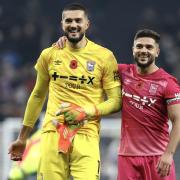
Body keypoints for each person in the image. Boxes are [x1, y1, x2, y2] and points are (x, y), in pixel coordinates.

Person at [8, 3, 121, 180]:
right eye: (68, 20)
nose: (73, 24)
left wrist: (85, 112)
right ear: (62, 24)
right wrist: (22, 138)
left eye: (78, 20)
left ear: (87, 24)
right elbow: (38, 95)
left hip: (86, 135)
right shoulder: (50, 54)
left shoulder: (104, 57)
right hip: (53, 133)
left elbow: (116, 101)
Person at [56, 29, 180, 180]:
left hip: (157, 157)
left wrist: (168, 154)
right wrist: (70, 43)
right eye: (139, 46)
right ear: (133, 49)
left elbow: (177, 120)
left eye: (149, 47)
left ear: (157, 52)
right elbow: (92, 61)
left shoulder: (167, 82)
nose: (144, 51)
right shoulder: (122, 72)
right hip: (127, 158)